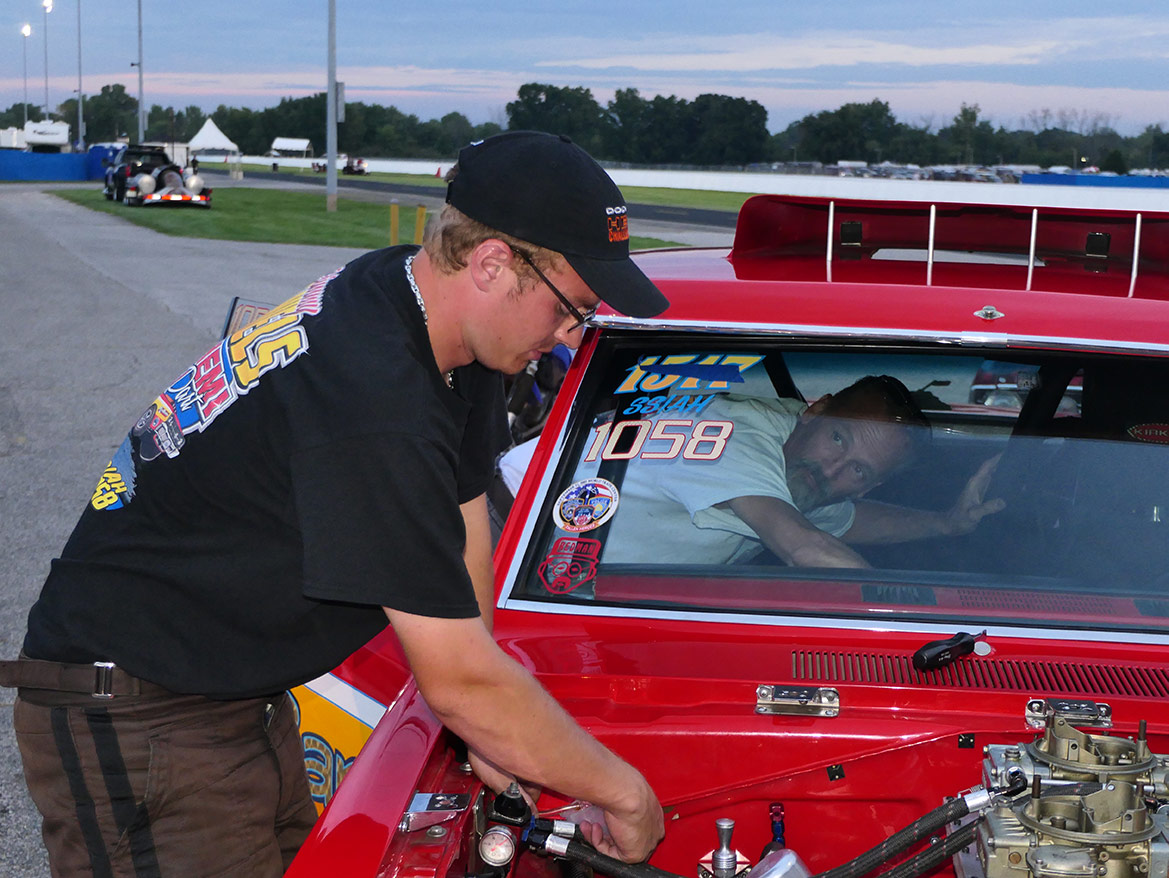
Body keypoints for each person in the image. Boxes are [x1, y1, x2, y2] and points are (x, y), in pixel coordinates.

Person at [0, 132, 668, 876]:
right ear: (491, 264)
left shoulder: (431, 317)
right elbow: (456, 680)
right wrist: (626, 795)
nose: (565, 337)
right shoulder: (374, 392)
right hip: (136, 711)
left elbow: (463, 515)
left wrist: (488, 710)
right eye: (571, 310)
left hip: (227, 695)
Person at [601, 376, 1005, 567]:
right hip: (557, 592)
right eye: (838, 439)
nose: (832, 469)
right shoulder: (735, 434)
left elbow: (844, 523)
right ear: (815, 410)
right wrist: (906, 619)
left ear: (869, 487)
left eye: (858, 471)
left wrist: (946, 524)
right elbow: (805, 547)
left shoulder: (806, 477)